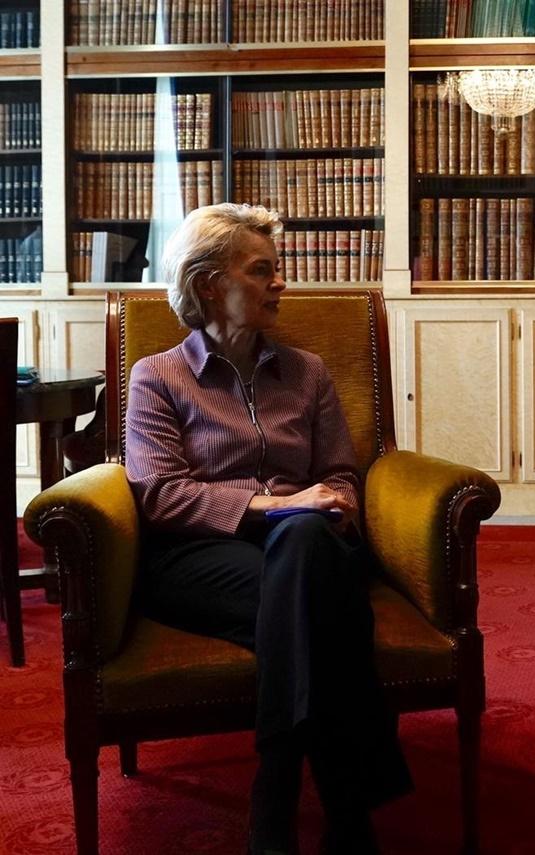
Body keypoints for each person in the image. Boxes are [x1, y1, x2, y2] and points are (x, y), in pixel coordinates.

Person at [125, 203, 411, 854]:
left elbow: (341, 473)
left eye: (276, 269)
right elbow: (162, 495)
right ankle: (349, 807)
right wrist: (275, 506)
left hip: (307, 545)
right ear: (208, 284)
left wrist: (327, 502)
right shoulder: (158, 377)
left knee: (308, 545)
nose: (281, 283)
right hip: (200, 556)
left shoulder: (306, 371)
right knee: (322, 601)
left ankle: (276, 784)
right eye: (262, 270)